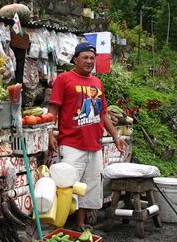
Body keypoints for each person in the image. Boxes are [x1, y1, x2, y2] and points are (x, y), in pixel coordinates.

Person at [47, 41, 127, 230]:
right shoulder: (64, 79)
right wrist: (50, 131)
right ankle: (61, 226)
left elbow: (103, 113)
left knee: (88, 187)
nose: (89, 61)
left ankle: (80, 224)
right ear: (75, 59)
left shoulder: (97, 83)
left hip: (95, 145)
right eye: (85, 57)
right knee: (66, 186)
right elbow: (54, 107)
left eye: (92, 58)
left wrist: (116, 136)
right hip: (72, 143)